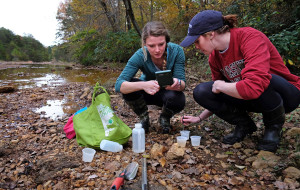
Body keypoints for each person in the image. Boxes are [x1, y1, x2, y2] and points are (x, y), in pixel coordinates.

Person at [180, 10, 300, 152]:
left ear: (211, 34)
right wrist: (199, 118)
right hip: (252, 96)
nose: (197, 47)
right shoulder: (214, 58)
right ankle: (244, 125)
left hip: (285, 95)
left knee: (262, 79)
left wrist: (222, 86)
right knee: (202, 91)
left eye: (197, 41)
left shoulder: (249, 37)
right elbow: (218, 91)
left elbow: (253, 86)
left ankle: (273, 128)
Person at [115, 21, 186, 134]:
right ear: (144, 44)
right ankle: (144, 118)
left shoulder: (177, 51)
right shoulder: (140, 55)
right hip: (146, 92)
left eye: (161, 44)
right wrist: (143, 85)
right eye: (151, 46)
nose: (157, 50)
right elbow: (119, 85)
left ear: (166, 41)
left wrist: (177, 82)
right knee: (130, 85)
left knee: (179, 99)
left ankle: (164, 118)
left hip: (167, 93)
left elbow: (183, 85)